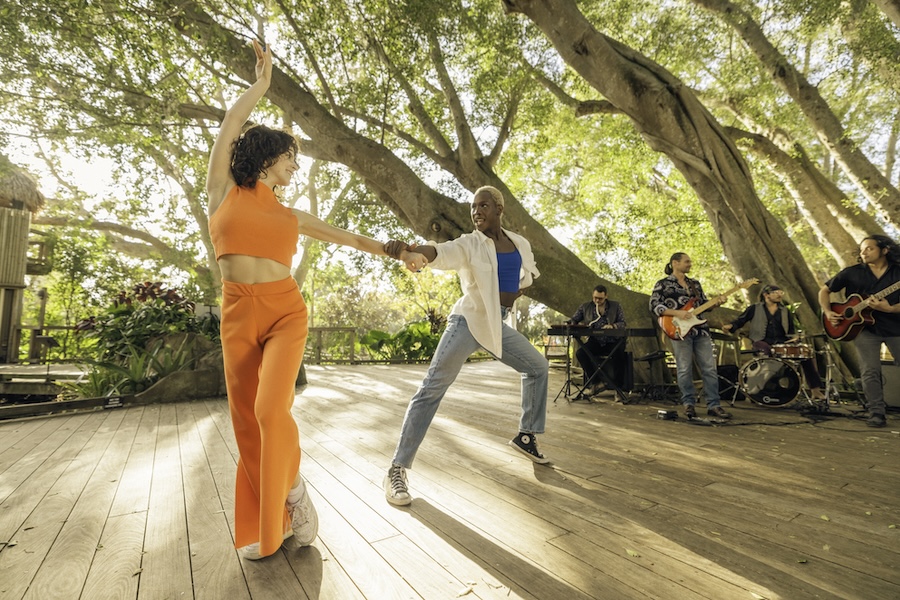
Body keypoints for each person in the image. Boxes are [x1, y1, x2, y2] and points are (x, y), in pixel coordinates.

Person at [206, 40, 426, 559]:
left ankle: (292, 495)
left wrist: (399, 251)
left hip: (285, 311)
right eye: (288, 159)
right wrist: (261, 86)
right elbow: (228, 128)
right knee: (247, 423)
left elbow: (349, 238)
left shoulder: (289, 215)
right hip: (237, 312)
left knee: (268, 411)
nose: (294, 169)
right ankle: (281, 515)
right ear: (264, 157)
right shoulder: (222, 191)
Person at [382, 186, 550, 507]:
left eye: (483, 205)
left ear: (499, 208)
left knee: (537, 368)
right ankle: (397, 469)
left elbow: (526, 274)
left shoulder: (520, 243)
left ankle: (526, 436)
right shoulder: (471, 243)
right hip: (468, 321)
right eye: (473, 207)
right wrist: (413, 250)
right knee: (432, 389)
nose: (476, 212)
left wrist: (516, 290)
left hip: (496, 325)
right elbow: (441, 252)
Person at [819, 235, 900, 428]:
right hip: (863, 329)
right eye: (862, 249)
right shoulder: (851, 273)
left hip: (896, 327)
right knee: (870, 370)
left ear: (884, 250)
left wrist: (890, 309)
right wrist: (828, 311)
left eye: (869, 249)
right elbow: (824, 290)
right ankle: (876, 413)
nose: (863, 252)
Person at [649, 253, 731, 420]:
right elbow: (654, 305)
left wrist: (716, 303)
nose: (690, 264)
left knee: (709, 368)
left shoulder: (695, 284)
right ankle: (688, 404)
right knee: (684, 369)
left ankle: (714, 405)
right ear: (675, 263)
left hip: (700, 330)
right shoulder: (663, 284)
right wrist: (677, 312)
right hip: (678, 331)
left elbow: (703, 306)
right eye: (687, 261)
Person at [723, 284, 826, 401]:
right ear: (766, 295)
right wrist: (730, 326)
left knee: (805, 355)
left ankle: (815, 391)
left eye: (780, 292)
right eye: (775, 292)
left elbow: (791, 331)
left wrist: (795, 338)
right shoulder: (754, 308)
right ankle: (758, 390)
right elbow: (740, 320)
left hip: (782, 343)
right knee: (766, 350)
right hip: (761, 342)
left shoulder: (785, 311)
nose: (779, 295)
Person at [567, 284, 627, 396]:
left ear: (606, 297)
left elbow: (623, 323)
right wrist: (570, 324)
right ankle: (596, 383)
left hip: (613, 340)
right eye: (595, 298)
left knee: (619, 354)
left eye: (600, 298)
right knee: (581, 353)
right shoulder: (585, 307)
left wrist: (613, 326)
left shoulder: (616, 306)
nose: (597, 300)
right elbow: (574, 319)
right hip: (596, 341)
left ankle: (619, 389)